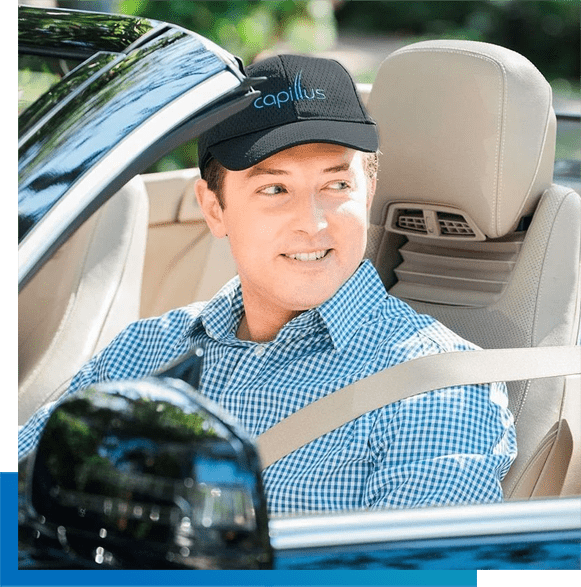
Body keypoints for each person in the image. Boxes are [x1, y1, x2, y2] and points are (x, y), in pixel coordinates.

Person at [18, 54, 516, 514]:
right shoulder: (142, 352)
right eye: (274, 189)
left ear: (368, 194)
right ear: (215, 209)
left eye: (337, 184)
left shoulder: (434, 388)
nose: (313, 223)